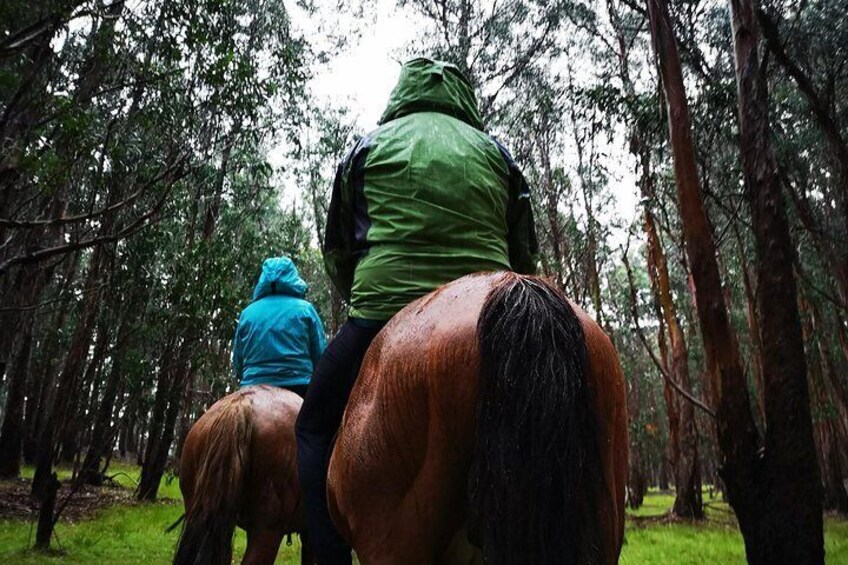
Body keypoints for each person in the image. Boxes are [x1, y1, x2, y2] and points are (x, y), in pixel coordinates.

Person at [295, 57, 538, 564]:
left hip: (383, 310)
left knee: (314, 426)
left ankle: (327, 556)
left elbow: (339, 248)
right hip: (494, 310)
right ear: (464, 97)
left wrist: (364, 299)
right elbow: (524, 253)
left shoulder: (366, 148)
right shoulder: (498, 153)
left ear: (401, 90)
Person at [233, 256, 326, 398]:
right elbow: (319, 356)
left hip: (252, 386)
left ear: (262, 280)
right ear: (293, 277)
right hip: (299, 385)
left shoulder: (247, 313)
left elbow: (238, 364)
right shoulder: (306, 309)